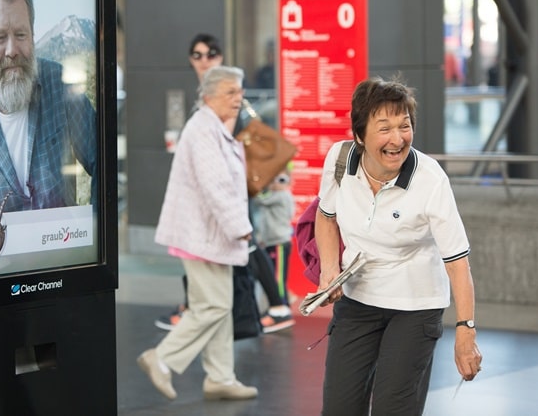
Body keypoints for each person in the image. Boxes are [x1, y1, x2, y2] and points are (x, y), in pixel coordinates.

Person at [315, 77, 483, 415]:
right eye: (385, 128)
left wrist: (466, 330)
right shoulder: (339, 159)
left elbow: (457, 261)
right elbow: (325, 216)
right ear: (359, 136)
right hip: (359, 299)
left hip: (415, 303)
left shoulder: (430, 179)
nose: (397, 139)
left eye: (404, 126)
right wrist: (329, 270)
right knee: (338, 407)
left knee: (394, 407)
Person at [154, 33, 294, 334]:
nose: (204, 60)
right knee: (237, 254)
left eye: (211, 53)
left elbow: (218, 170)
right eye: (197, 54)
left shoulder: (225, 97)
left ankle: (277, 304)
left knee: (248, 245)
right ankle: (268, 306)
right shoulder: (209, 102)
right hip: (228, 195)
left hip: (236, 190)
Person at [137, 66, 258, 401]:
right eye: (230, 92)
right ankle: (161, 358)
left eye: (240, 91)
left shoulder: (211, 127)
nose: (239, 98)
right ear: (208, 97)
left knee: (217, 306)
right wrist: (241, 228)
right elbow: (216, 187)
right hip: (204, 236)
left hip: (210, 236)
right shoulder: (203, 130)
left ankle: (220, 378)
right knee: (214, 306)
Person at [0, 0, 96, 216]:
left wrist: (94, 231)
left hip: (65, 253)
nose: (12, 50)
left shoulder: (61, 87)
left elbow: (103, 159)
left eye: (20, 35)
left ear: (32, 35)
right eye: (0, 37)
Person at [252, 166, 296, 331]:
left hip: (279, 243)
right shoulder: (270, 196)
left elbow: (259, 200)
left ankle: (281, 309)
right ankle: (282, 303)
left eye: (282, 179)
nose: (278, 183)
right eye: (275, 178)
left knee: (277, 279)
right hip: (270, 242)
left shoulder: (282, 196)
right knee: (273, 276)